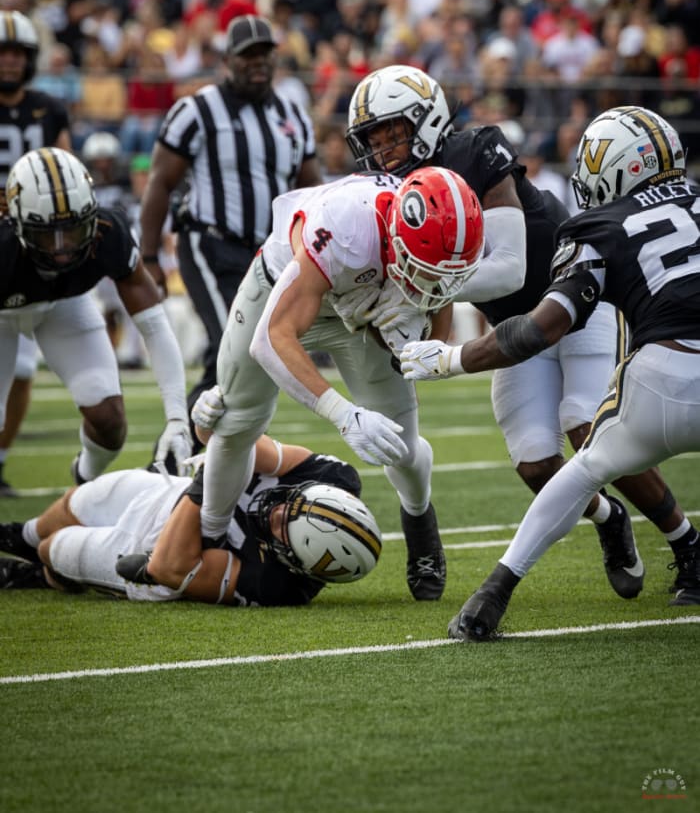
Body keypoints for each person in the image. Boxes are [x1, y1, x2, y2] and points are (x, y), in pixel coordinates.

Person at [346, 65, 692, 600]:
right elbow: (426, 283)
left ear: (428, 119)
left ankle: (686, 542)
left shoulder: (474, 152)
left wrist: (415, 288)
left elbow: (508, 266)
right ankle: (608, 519)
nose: (383, 147)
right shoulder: (390, 190)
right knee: (535, 462)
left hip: (577, 300)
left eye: (392, 131)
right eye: (373, 137)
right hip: (511, 327)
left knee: (585, 424)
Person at [169, 165, 483, 602]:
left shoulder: (436, 246)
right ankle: (211, 536)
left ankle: (419, 518)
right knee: (239, 419)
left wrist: (412, 343)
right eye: (422, 271)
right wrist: (344, 414)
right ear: (396, 237)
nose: (429, 284)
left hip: (361, 302)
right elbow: (272, 338)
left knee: (402, 444)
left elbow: (438, 312)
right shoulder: (346, 227)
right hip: (286, 287)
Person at [139, 14, 322, 437]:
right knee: (233, 351)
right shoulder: (197, 110)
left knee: (236, 358)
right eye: (247, 55)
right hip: (210, 244)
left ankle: (183, 456)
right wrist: (149, 256)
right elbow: (160, 183)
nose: (257, 63)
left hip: (267, 254)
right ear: (227, 60)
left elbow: (311, 189)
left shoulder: (292, 115)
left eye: (264, 53)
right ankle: (177, 461)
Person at [0, 425, 381, 607]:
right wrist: (218, 430)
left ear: (297, 562)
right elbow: (242, 443)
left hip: (155, 549)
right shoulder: (332, 477)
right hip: (170, 493)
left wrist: (206, 484)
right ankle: (21, 537)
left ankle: (44, 576)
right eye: (292, 503)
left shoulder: (275, 584)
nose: (278, 510)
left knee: (56, 549)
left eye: (284, 525)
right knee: (74, 504)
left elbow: (172, 567)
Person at [1, 146, 191, 487]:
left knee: (109, 422)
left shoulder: (108, 231)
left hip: (63, 304)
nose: (61, 250)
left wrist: (177, 418)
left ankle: (83, 476)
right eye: (46, 234)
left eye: (71, 231)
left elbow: (154, 325)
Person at [0, 10, 72, 497]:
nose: (9, 62)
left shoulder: (48, 107)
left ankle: (1, 458)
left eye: (17, 54)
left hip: (33, 248)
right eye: (3, 53)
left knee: (22, 370)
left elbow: (68, 169)